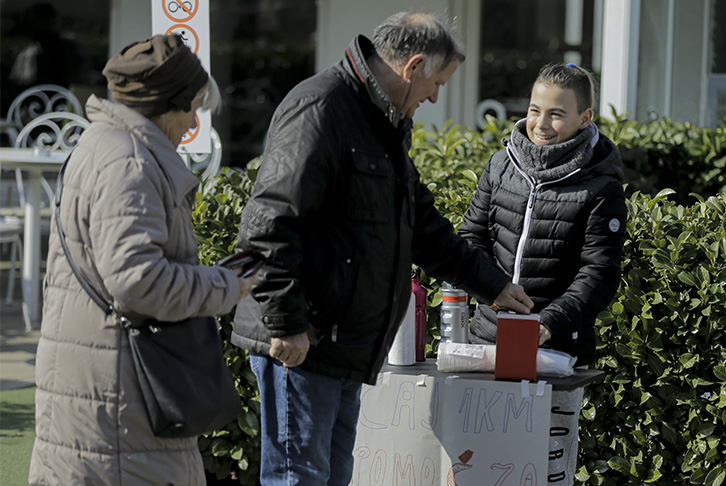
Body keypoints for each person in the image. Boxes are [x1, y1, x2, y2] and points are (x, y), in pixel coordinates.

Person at [230, 11, 534, 486]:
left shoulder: (382, 121)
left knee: (329, 477)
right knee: (299, 479)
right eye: (437, 83)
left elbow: (422, 226)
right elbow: (268, 225)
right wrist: (287, 323)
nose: (435, 97)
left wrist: (491, 285)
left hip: (340, 344)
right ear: (413, 67)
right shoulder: (322, 107)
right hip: (304, 341)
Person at [28, 35, 257, 486]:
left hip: (100, 383)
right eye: (193, 107)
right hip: (119, 396)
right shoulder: (129, 161)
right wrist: (227, 285)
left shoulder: (104, 143)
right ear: (168, 104)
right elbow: (138, 282)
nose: (194, 121)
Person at [458, 62, 627, 483]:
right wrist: (490, 288)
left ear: (585, 118)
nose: (541, 124)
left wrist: (547, 324)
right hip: (486, 345)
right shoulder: (500, 165)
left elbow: (599, 273)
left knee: (544, 472)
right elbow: (470, 238)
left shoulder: (602, 186)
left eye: (556, 114)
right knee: (481, 467)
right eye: (535, 110)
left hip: (556, 356)